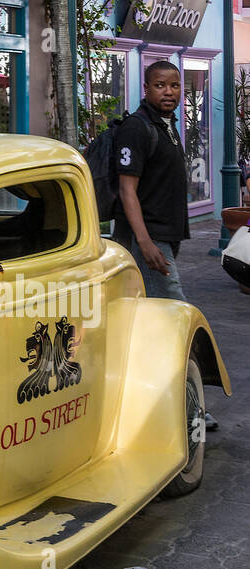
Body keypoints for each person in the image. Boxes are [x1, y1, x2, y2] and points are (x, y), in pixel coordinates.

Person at [113, 61, 217, 430]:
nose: (169, 92)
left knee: (157, 322)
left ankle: (164, 405)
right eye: (160, 85)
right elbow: (128, 190)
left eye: (175, 86)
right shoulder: (136, 128)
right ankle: (186, 412)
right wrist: (145, 243)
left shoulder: (165, 127)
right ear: (146, 87)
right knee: (174, 323)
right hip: (150, 242)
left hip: (163, 240)